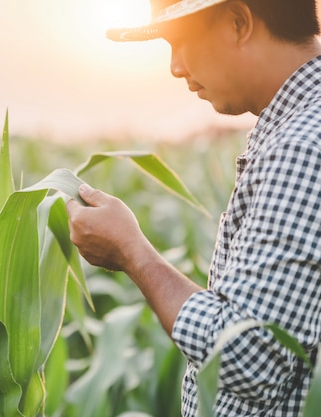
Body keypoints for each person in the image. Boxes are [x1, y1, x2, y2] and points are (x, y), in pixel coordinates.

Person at [65, 0, 321, 415]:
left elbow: (247, 358)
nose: (175, 67)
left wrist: (133, 252)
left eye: (179, 43)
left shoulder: (299, 147)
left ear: (239, 23)